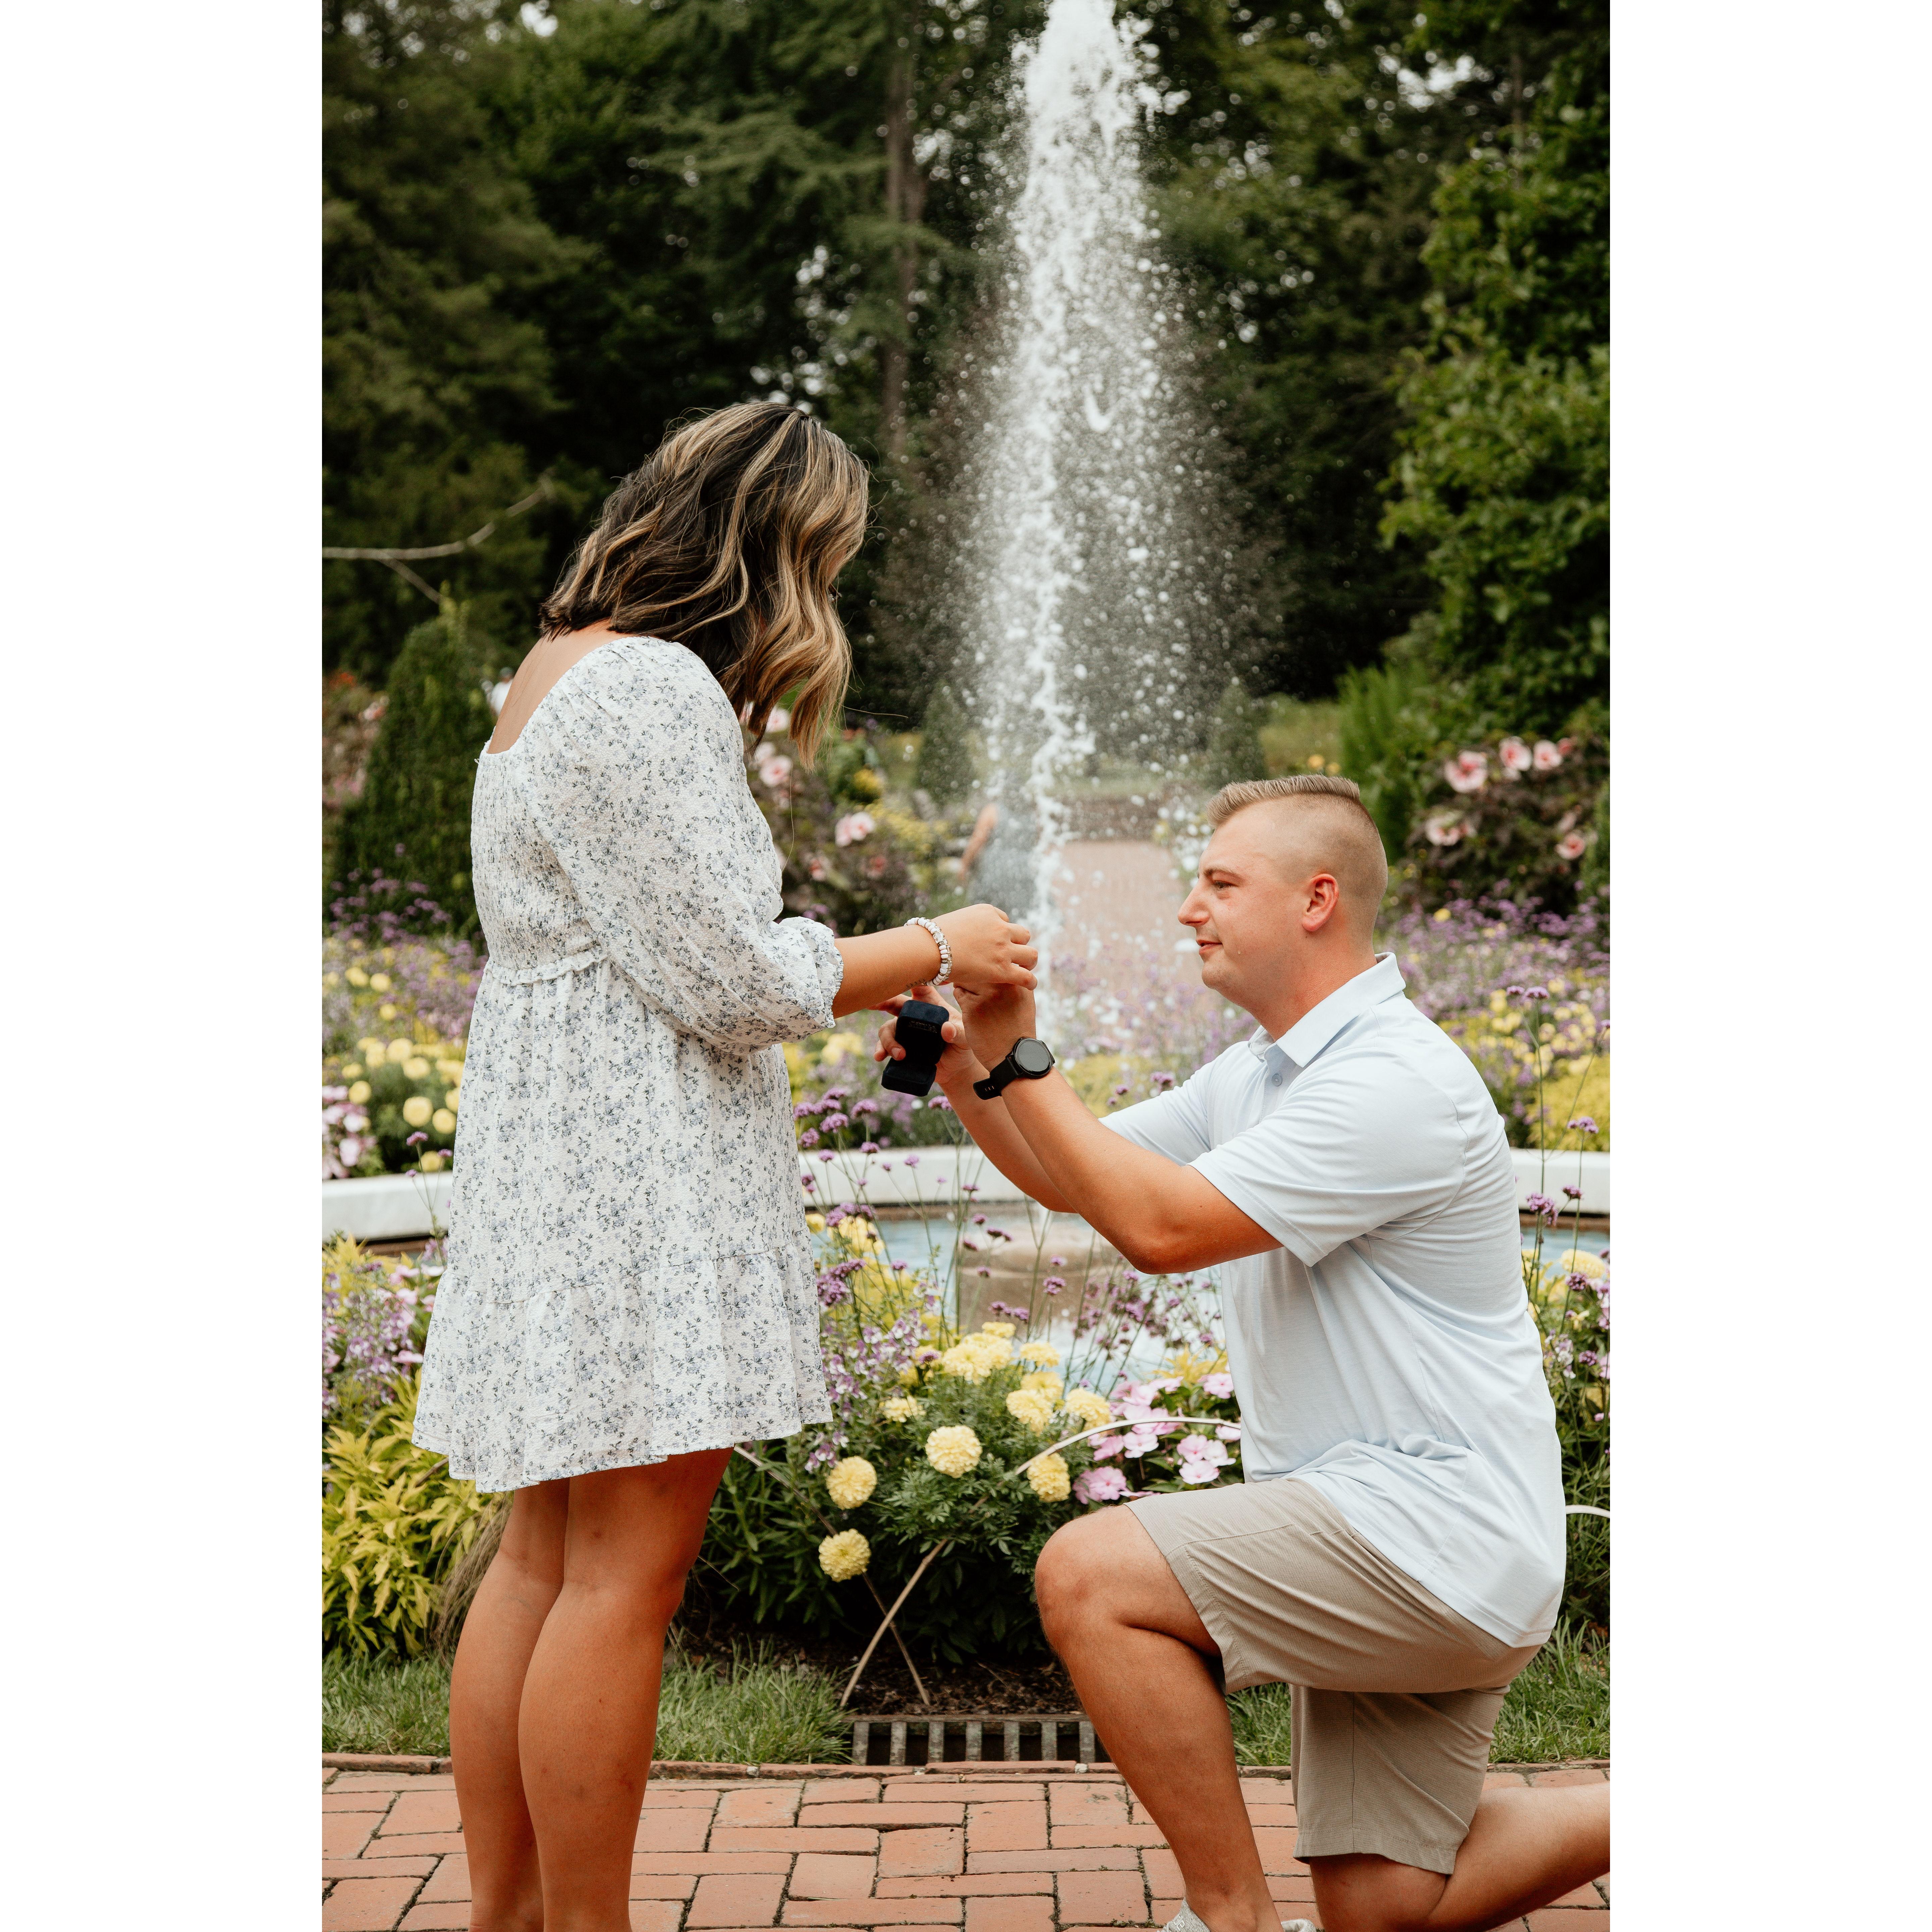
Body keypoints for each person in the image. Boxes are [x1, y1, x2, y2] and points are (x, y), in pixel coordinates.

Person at [412, 401, 1037, 1932]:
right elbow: (731, 982)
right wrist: (943, 941)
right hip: (634, 1157)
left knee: (548, 1551)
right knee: (626, 1570)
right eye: (822, 561)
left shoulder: (555, 673)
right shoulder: (647, 689)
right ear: (765, 548)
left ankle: (508, 1916)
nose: (824, 602)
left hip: (565, 1137)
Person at [872, 774, 1609, 1932]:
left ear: (1317, 900)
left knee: (1091, 1576)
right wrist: (973, 1074)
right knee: (1380, 1913)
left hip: (1432, 1533)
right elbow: (1085, 1182)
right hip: (1388, 1526)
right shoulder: (1262, 1073)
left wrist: (1027, 1061)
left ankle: (1233, 1923)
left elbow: (1163, 1232)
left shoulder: (1391, 1082)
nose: (1188, 910)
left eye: (1219, 883)